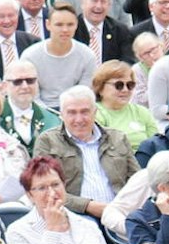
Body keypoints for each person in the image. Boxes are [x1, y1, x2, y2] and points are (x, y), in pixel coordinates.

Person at [33, 87, 135, 220]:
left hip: (120, 214)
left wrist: (124, 207)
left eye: (85, 112)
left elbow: (136, 180)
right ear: (61, 115)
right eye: (72, 113)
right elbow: (43, 190)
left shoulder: (117, 138)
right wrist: (88, 206)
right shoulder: (47, 141)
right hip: (74, 216)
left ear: (95, 112)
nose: (79, 119)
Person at [92, 60, 159, 146]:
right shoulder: (94, 113)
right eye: (118, 85)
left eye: (130, 85)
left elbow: (156, 144)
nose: (125, 90)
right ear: (100, 88)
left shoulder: (142, 112)